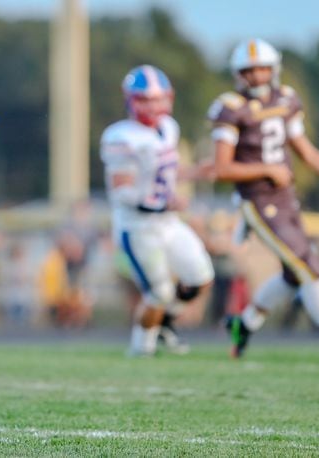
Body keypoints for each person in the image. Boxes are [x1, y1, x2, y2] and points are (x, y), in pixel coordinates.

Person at [208, 38, 319, 358]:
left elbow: (307, 154)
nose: (258, 76)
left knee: (292, 273)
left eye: (263, 69)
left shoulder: (287, 100)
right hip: (257, 201)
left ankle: (242, 325)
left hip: (286, 197)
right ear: (239, 74)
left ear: (274, 70)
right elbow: (221, 167)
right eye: (250, 71)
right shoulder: (232, 109)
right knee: (308, 265)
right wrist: (266, 168)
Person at [100, 65, 214, 357]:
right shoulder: (121, 136)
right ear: (131, 100)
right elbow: (123, 190)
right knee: (159, 292)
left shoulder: (169, 128)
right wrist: (164, 201)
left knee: (200, 277)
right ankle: (141, 350)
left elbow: (166, 173)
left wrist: (195, 173)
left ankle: (163, 322)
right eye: (145, 100)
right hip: (138, 226)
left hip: (168, 222)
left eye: (158, 99)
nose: (153, 106)